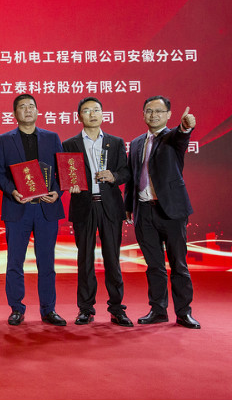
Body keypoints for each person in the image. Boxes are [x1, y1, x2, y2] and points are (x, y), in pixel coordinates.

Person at [124, 96, 200, 329]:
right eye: (149, 111)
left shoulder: (172, 138)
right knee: (154, 266)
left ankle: (184, 312)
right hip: (144, 211)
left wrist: (185, 126)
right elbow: (132, 176)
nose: (153, 115)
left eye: (159, 111)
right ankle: (158, 310)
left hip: (172, 212)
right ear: (143, 114)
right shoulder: (136, 143)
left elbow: (182, 135)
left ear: (168, 115)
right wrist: (128, 206)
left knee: (178, 264)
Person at [0, 94, 67, 326]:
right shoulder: (4, 140)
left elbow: (62, 170)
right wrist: (12, 191)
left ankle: (49, 309)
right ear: (14, 113)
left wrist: (57, 191)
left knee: (47, 262)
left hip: (46, 208)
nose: (28, 110)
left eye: (31, 106)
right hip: (18, 207)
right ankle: (16, 308)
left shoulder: (52, 138)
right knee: (15, 262)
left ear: (37, 111)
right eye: (22, 107)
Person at [63, 97, 133, 327]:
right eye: (87, 110)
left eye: (96, 110)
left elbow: (126, 172)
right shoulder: (69, 144)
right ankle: (85, 308)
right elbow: (66, 173)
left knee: (112, 258)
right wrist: (69, 185)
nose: (92, 114)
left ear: (103, 114)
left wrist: (114, 176)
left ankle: (117, 308)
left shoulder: (115, 142)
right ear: (79, 116)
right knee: (85, 260)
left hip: (109, 206)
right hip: (84, 206)